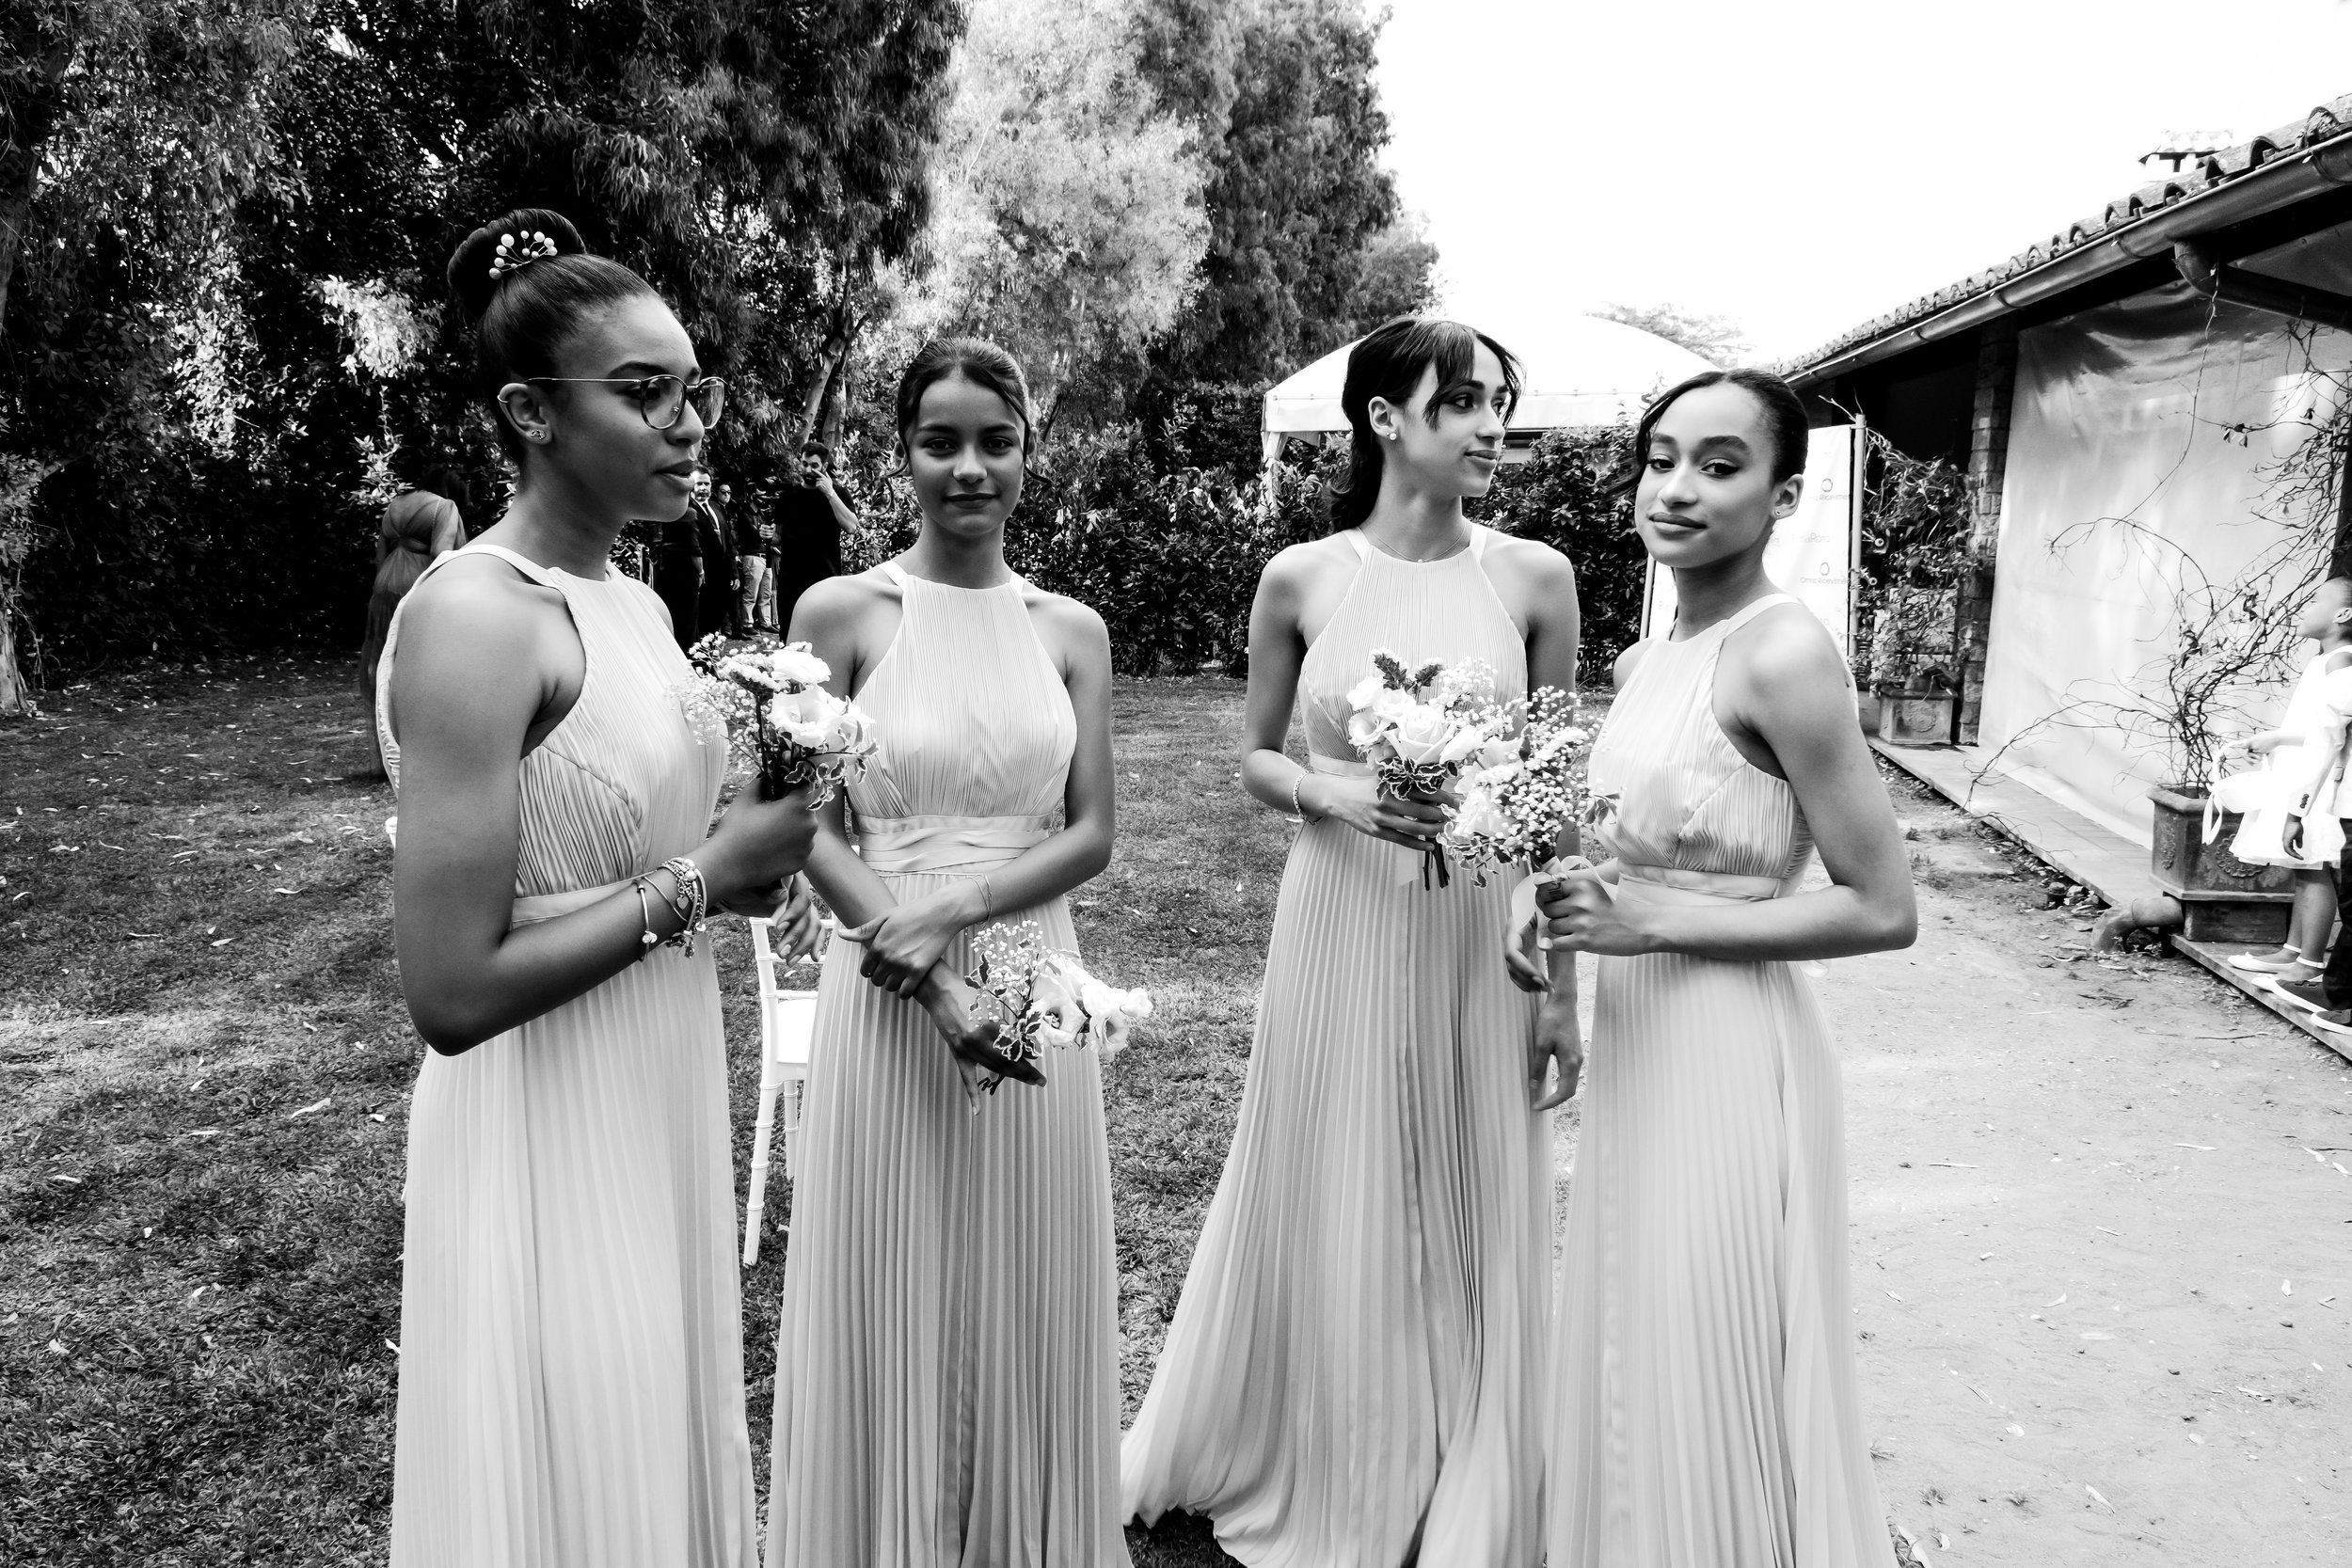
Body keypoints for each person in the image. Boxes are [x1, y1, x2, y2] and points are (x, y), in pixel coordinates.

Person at [375, 207, 821, 1568]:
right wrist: (701, 879)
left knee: (654, 1413)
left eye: (695, 390)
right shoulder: (476, 614)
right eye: (645, 393)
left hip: (657, 1073)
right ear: (527, 412)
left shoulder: (634, 605)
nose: (691, 425)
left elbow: (653, 848)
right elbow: (449, 990)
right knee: (569, 1436)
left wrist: (753, 866)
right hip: (538, 1107)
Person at [1122, 316, 1581, 1566]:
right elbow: (1259, 752)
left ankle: (1467, 1443)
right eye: (1469, 402)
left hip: (1474, 925)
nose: (1494, 426)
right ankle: (1333, 1436)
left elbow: (1555, 791)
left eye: (1504, 402)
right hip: (1335, 907)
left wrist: (1562, 986)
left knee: (1473, 1169)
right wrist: (1338, 794)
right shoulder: (1304, 578)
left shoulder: (1536, 579)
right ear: (1385, 417)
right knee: (1331, 1158)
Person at [1534, 369, 1915, 1568]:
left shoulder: (1784, 653)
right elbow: (1622, 851)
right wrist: (1548, 916)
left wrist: (1657, 926)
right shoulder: (1655, 653)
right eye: (1659, 458)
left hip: (1730, 1042)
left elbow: (1882, 906)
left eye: (1717, 463)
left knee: (1706, 1322)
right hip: (1645, 1030)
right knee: (1637, 1317)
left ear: (1782, 491)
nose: (1676, 488)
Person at [763, 338, 1127, 1565]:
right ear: (903, 453)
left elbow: (1091, 833)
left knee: (1025, 1265)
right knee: (893, 1259)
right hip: (884, 972)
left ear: (1031, 451)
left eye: (995, 440)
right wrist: (913, 950)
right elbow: (796, 820)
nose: (969, 466)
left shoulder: (1072, 629)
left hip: (1035, 963)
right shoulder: (841, 612)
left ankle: (1021, 1529)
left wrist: (960, 907)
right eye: (941, 440)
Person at [2222, 578, 2352, 985]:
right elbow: (2318, 728)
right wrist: (2277, 738)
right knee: (2303, 864)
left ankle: (2310, 962)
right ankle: (2293, 950)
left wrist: (2303, 800)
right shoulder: (2326, 659)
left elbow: (2334, 735)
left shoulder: (2342, 661)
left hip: (2322, 779)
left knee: (2314, 865)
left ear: (2342, 615)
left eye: (2316, 600)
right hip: (2306, 769)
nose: (2304, 606)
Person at [361, 465, 468, 775]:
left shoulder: (396, 504)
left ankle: (385, 750)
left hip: (385, 582)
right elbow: (442, 554)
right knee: (425, 662)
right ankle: (426, 747)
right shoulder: (444, 507)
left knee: (383, 661)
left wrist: (385, 580)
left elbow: (381, 553)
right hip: (419, 583)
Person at [768, 438, 853, 633]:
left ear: (824, 466)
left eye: (814, 466)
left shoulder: (838, 493)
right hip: (791, 581)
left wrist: (830, 493)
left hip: (825, 580)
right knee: (789, 639)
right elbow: (777, 536)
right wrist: (767, 535)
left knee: (825, 636)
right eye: (804, 464)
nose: (808, 470)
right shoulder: (788, 497)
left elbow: (851, 526)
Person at [654, 483, 705, 650]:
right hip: (685, 570)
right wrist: (701, 571)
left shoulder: (661, 512)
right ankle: (689, 655)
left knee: (670, 614)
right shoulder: (689, 513)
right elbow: (695, 549)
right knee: (688, 618)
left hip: (665, 568)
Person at [695, 478, 740, 641]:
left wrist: (734, 573)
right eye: (699, 483)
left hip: (722, 575)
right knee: (702, 622)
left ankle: (712, 656)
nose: (703, 487)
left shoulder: (716, 508)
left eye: (706, 484)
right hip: (703, 572)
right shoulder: (688, 509)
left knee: (716, 618)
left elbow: (728, 541)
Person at [735, 487, 776, 634]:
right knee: (750, 593)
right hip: (753, 556)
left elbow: (770, 535)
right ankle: (747, 623)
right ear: (752, 496)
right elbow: (753, 533)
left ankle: (766, 622)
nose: (764, 500)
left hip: (766, 557)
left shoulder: (762, 515)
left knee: (766, 593)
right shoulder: (744, 513)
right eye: (761, 497)